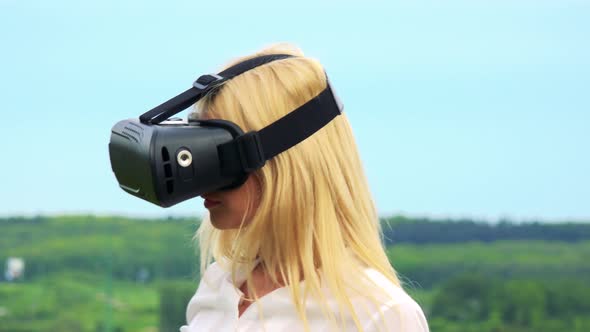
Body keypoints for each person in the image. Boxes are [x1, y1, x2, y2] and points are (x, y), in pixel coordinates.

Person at [180, 43, 429, 332]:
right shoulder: (219, 284)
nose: (203, 179)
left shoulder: (379, 315)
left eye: (221, 154)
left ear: (286, 163)